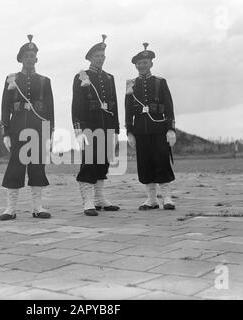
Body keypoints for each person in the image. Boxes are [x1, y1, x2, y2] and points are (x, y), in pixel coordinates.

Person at [0, 35, 54, 220]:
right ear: (21, 59)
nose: (30, 58)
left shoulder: (44, 81)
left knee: (37, 167)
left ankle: (37, 207)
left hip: (38, 130)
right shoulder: (11, 79)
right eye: (26, 56)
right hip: (18, 130)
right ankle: (11, 208)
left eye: (32, 55)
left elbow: (50, 109)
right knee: (15, 167)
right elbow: (5, 107)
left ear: (36, 59)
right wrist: (6, 132)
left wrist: (50, 133)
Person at [71, 35, 120, 216]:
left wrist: (116, 130)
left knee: (103, 162)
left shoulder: (109, 78)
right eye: (97, 55)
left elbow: (114, 104)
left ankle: (100, 199)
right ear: (90, 58)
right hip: (89, 127)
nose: (100, 58)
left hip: (106, 125)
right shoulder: (82, 77)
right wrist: (79, 130)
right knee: (89, 162)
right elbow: (76, 105)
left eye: (102, 55)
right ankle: (88, 202)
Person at [125, 43, 176, 210]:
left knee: (161, 161)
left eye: (145, 63)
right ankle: (151, 199)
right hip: (140, 130)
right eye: (139, 63)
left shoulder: (160, 82)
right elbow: (128, 110)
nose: (141, 66)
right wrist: (130, 132)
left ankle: (167, 197)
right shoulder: (131, 84)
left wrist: (171, 129)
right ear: (135, 65)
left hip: (158, 129)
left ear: (151, 64)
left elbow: (169, 106)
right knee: (145, 164)